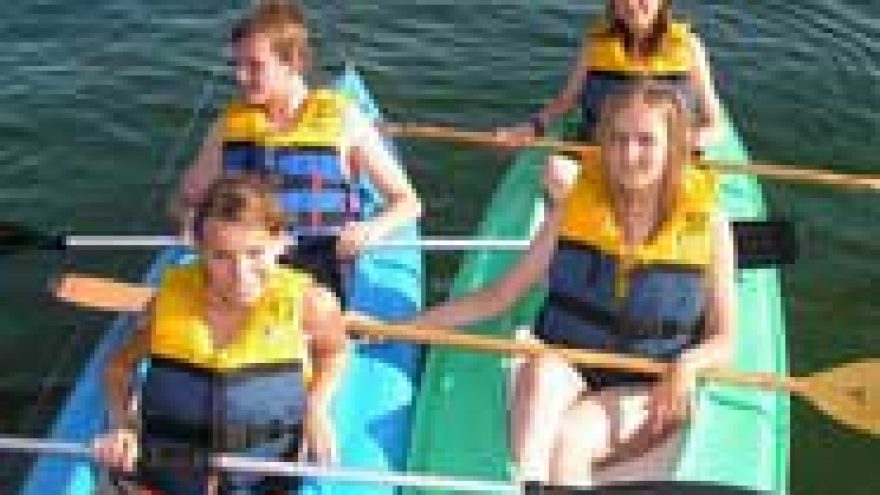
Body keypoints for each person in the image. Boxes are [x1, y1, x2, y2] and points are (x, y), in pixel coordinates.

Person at [411, 83, 736, 487]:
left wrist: (687, 366)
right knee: (539, 378)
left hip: (645, 381)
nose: (628, 155)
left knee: (571, 438)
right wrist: (407, 326)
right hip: (570, 361)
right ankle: (528, 484)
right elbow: (501, 295)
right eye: (618, 139)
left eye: (645, 141)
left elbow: (724, 338)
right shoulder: (575, 208)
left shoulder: (709, 224)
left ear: (675, 146)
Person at [93, 175, 348, 494]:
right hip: (159, 479)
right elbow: (118, 369)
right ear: (200, 249)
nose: (241, 275)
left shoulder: (312, 304)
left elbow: (334, 352)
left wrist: (316, 406)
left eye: (255, 253)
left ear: (281, 242)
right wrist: (123, 426)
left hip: (263, 483)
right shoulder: (166, 304)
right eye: (221, 256)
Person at [174, 0, 421, 298]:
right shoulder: (227, 127)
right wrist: (189, 218)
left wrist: (371, 229)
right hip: (242, 275)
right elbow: (188, 198)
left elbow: (408, 202)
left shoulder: (345, 120)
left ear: (293, 62)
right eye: (237, 64)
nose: (240, 76)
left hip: (316, 271)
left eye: (254, 65)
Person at [497, 0, 724, 204]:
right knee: (555, 171)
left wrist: (688, 142)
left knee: (694, 195)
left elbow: (713, 122)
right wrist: (532, 127)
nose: (631, 4)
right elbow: (565, 102)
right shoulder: (595, 45)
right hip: (603, 157)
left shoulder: (689, 46)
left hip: (663, 164)